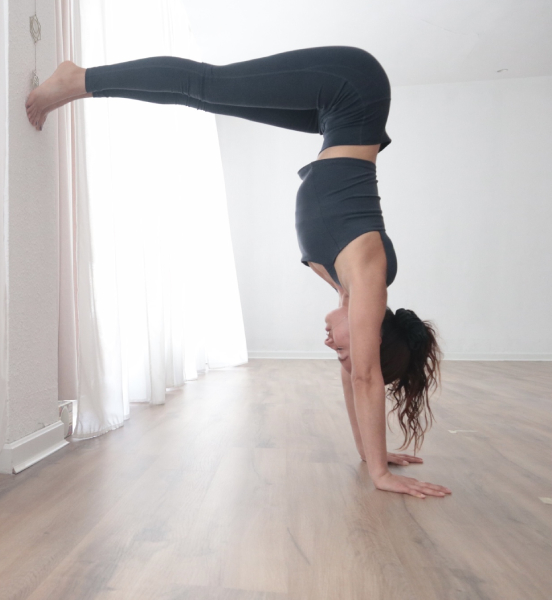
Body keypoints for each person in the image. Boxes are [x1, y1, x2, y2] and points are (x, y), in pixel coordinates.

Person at [26, 46, 451, 499]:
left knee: (204, 97)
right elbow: (365, 377)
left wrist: (370, 453)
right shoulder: (369, 278)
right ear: (374, 332)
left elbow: (356, 375)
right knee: (204, 84)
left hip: (337, 113)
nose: (333, 348)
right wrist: (381, 476)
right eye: (344, 349)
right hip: (354, 86)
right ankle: (78, 79)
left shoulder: (350, 287)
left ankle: (82, 83)